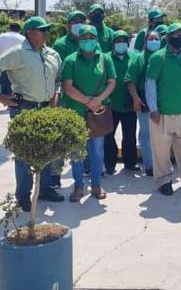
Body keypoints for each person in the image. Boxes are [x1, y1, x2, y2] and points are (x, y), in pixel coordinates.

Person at [0, 16, 63, 211]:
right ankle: (23, 196)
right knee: (24, 154)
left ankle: (44, 189)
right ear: (29, 33)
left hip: (46, 108)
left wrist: (56, 96)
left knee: (47, 151)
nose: (46, 33)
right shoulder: (17, 53)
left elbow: (58, 78)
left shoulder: (52, 54)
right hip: (24, 108)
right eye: (41, 30)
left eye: (47, 30)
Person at [145, 22, 181, 196]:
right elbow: (150, 84)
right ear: (168, 37)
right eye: (175, 35)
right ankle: (164, 181)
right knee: (161, 150)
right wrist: (153, 109)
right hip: (162, 113)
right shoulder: (158, 57)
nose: (179, 37)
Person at [61, 25, 116, 201]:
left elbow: (112, 82)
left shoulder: (105, 59)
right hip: (75, 112)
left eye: (91, 37)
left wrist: (98, 100)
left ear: (96, 39)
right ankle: (78, 187)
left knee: (97, 150)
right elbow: (68, 87)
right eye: (84, 37)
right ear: (79, 40)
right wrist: (87, 101)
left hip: (98, 112)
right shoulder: (70, 60)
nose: (88, 41)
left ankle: (96, 185)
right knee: (77, 151)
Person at [125, 29, 162, 177]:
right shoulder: (139, 58)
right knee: (146, 134)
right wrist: (135, 98)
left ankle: (161, 163)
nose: (154, 42)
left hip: (162, 99)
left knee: (160, 134)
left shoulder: (163, 57)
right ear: (145, 42)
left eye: (156, 39)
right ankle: (149, 165)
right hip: (143, 99)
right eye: (150, 39)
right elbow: (130, 81)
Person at [104, 31, 139, 175]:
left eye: (124, 40)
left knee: (130, 136)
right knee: (108, 136)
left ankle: (130, 164)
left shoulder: (135, 57)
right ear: (113, 43)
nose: (121, 43)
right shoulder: (106, 58)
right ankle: (110, 164)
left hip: (129, 104)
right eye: (118, 41)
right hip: (110, 104)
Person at [0, 23, 25, 111]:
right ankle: (10, 103)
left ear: (9, 28)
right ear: (19, 30)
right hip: (16, 65)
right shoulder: (22, 39)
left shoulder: (1, 37)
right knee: (12, 85)